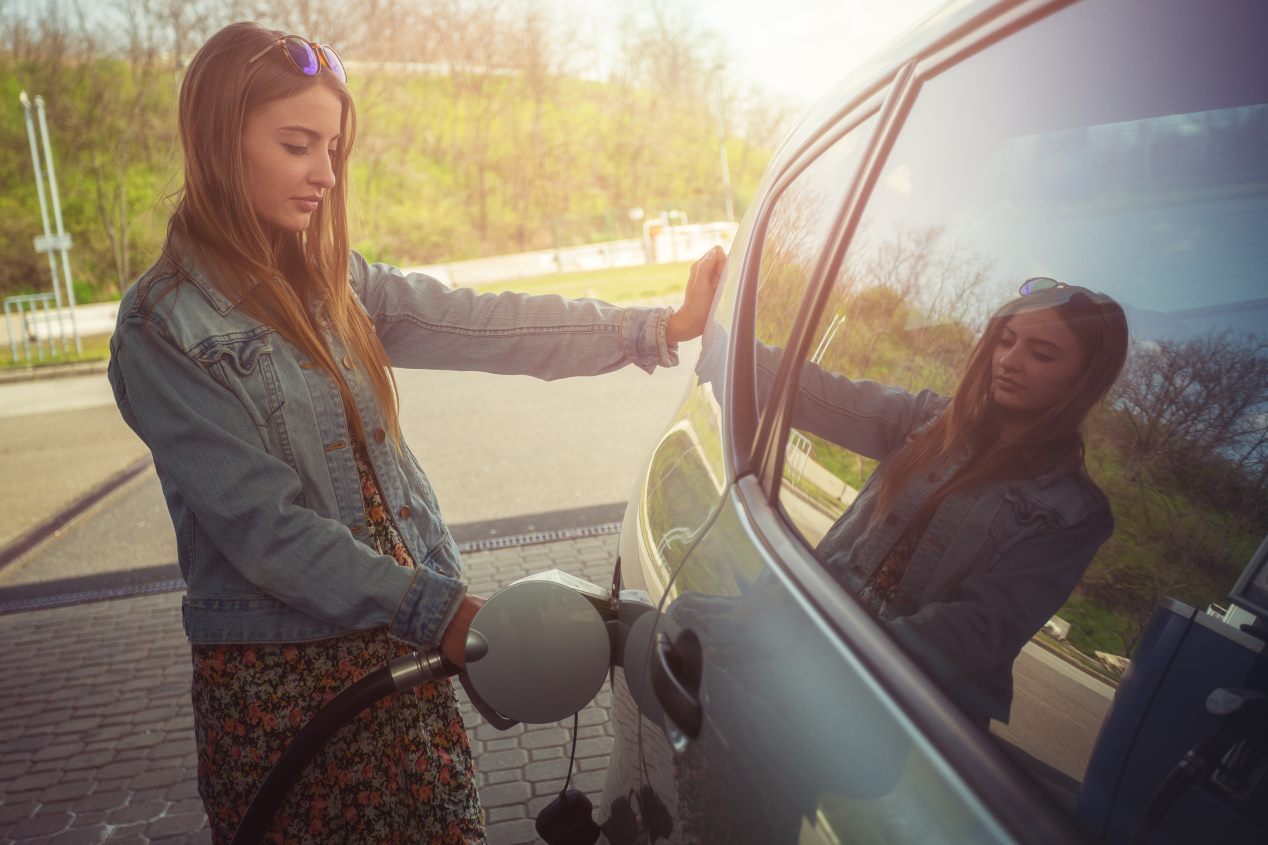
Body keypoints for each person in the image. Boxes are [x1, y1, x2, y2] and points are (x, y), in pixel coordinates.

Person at [106, 22, 724, 844]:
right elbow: (267, 532)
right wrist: (439, 610)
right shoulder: (162, 327)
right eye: (298, 145)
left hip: (403, 659)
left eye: (333, 147)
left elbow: (486, 324)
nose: (326, 174)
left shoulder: (335, 283)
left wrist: (659, 326)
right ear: (221, 143)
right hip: (290, 690)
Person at [767, 278, 1130, 725]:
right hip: (812, 638)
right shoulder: (929, 421)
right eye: (1006, 341)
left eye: (1041, 354)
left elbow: (979, 629)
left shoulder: (1074, 512)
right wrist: (701, 329)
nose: (1009, 361)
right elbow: (818, 393)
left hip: (908, 711)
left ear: (1083, 379)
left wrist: (848, 653)